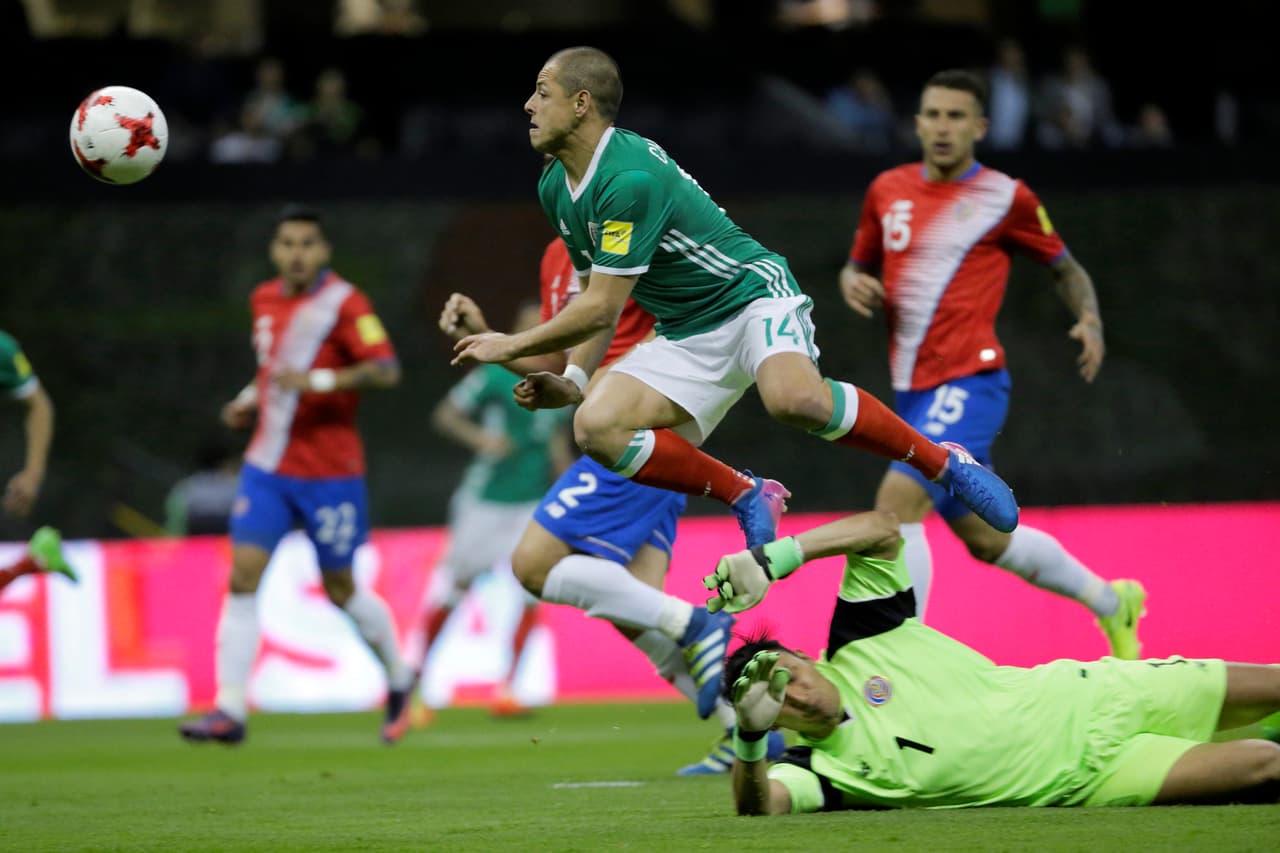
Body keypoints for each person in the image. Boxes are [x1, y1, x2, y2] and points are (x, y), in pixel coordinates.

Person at [451, 46, 1020, 565]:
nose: (528, 105)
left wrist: (512, 343)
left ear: (581, 104)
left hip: (750, 296)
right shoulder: (557, 186)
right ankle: (746, 493)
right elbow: (595, 303)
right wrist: (575, 377)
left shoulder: (627, 178)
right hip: (685, 329)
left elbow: (600, 308)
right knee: (596, 425)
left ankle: (945, 463)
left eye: (541, 93)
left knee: (795, 400)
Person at [441, 236, 783, 774]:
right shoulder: (556, 252)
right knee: (636, 610)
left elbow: (677, 322)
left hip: (630, 432)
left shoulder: (635, 227)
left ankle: (698, 625)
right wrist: (492, 338)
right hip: (632, 440)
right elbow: (561, 368)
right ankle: (747, 733)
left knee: (533, 566)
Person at [836, 68, 1144, 657]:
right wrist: (853, 280)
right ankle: (1114, 603)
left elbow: (1066, 268)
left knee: (896, 505)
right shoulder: (887, 190)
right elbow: (859, 263)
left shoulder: (1006, 196)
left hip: (971, 380)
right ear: (918, 122)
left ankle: (903, 665)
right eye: (933, 114)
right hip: (913, 393)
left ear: (979, 126)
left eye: (956, 116)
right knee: (986, 541)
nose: (943, 127)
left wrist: (1090, 319)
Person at [704, 511, 1280, 814]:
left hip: (1101, 693)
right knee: (1264, 765)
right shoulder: (822, 774)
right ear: (775, 722)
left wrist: (776, 556)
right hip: (1093, 778)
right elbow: (760, 809)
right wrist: (751, 741)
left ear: (805, 656)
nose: (798, 694)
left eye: (790, 675)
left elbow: (881, 529)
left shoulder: (863, 634)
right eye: (779, 703)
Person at [178, 205, 416, 746]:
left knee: (340, 588)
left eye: (308, 243)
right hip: (266, 468)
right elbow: (271, 373)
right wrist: (246, 402)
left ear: (324, 251)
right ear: (274, 250)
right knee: (242, 577)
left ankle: (399, 678)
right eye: (288, 243)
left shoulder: (346, 303)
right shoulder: (262, 300)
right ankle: (230, 711)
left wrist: (319, 380)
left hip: (331, 473)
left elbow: (385, 369)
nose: (297, 253)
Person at [417, 301, 573, 720]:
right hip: (484, 501)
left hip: (531, 503)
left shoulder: (560, 386)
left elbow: (557, 446)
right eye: (528, 327)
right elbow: (446, 416)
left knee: (531, 591)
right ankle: (415, 684)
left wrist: (569, 490)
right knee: (456, 587)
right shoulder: (492, 374)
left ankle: (508, 688)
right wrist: (480, 440)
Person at [0, 329, 76, 592]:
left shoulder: (2, 349)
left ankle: (34, 560)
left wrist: (33, 474)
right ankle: (34, 560)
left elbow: (38, 404)